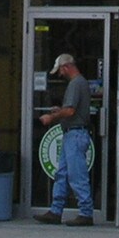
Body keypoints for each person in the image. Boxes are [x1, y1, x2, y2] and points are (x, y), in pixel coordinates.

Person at [34, 51, 95, 226]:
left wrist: (51, 117)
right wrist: (59, 110)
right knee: (62, 174)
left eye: (60, 71)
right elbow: (68, 109)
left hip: (75, 134)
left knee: (76, 175)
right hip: (73, 134)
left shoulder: (76, 84)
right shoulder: (79, 83)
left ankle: (85, 212)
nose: (60, 75)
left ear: (66, 67)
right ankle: (56, 210)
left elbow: (70, 111)